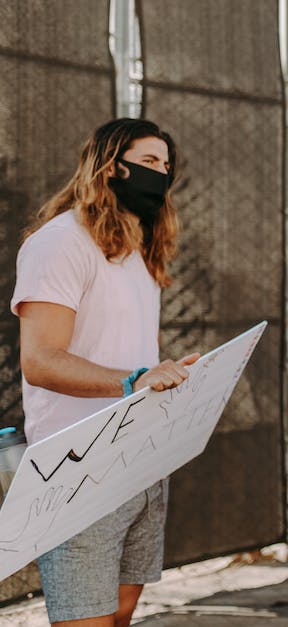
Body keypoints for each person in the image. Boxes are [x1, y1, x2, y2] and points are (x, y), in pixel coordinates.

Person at [12, 118, 197, 627]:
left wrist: (167, 378)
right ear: (111, 167)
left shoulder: (139, 249)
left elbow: (126, 351)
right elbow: (40, 360)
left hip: (142, 459)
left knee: (119, 616)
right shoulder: (59, 243)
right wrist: (134, 380)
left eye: (167, 165)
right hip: (79, 467)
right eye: (149, 161)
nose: (161, 173)